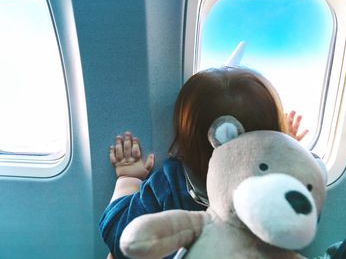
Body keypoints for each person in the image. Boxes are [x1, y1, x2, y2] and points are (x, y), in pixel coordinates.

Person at [99, 66, 309, 259]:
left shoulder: (171, 182)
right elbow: (300, 229)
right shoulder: (280, 189)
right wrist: (286, 156)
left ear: (185, 138)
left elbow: (121, 238)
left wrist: (128, 179)